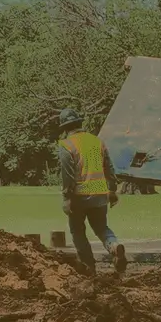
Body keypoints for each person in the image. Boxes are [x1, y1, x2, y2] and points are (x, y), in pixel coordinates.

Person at [56, 108, 126, 275]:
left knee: (78, 231)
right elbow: (108, 168)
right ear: (80, 123)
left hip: (79, 197)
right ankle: (114, 246)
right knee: (102, 228)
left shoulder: (66, 145)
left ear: (65, 128)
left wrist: (66, 198)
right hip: (100, 194)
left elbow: (67, 175)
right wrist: (112, 191)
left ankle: (89, 268)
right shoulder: (97, 141)